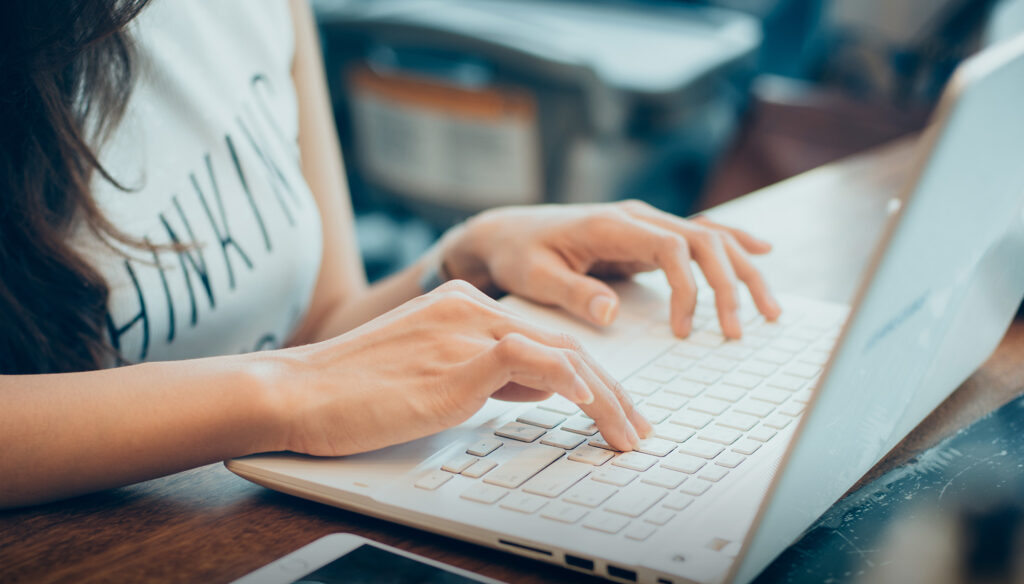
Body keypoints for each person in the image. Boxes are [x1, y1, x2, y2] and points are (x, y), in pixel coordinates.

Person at [0, 0, 780, 509]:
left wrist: (466, 259)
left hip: (247, 529)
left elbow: (318, 326)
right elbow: (307, 373)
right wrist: (286, 391)